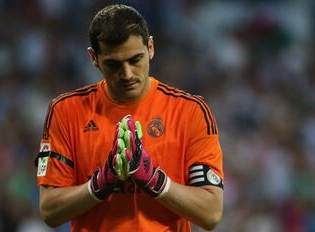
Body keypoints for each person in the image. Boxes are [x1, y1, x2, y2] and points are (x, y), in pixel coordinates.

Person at [35, 4, 224, 231]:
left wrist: (154, 180)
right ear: (94, 57)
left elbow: (211, 213)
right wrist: (100, 184)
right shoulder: (65, 111)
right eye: (113, 64)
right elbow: (50, 212)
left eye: (135, 60)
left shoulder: (190, 111)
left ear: (151, 48)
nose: (126, 74)